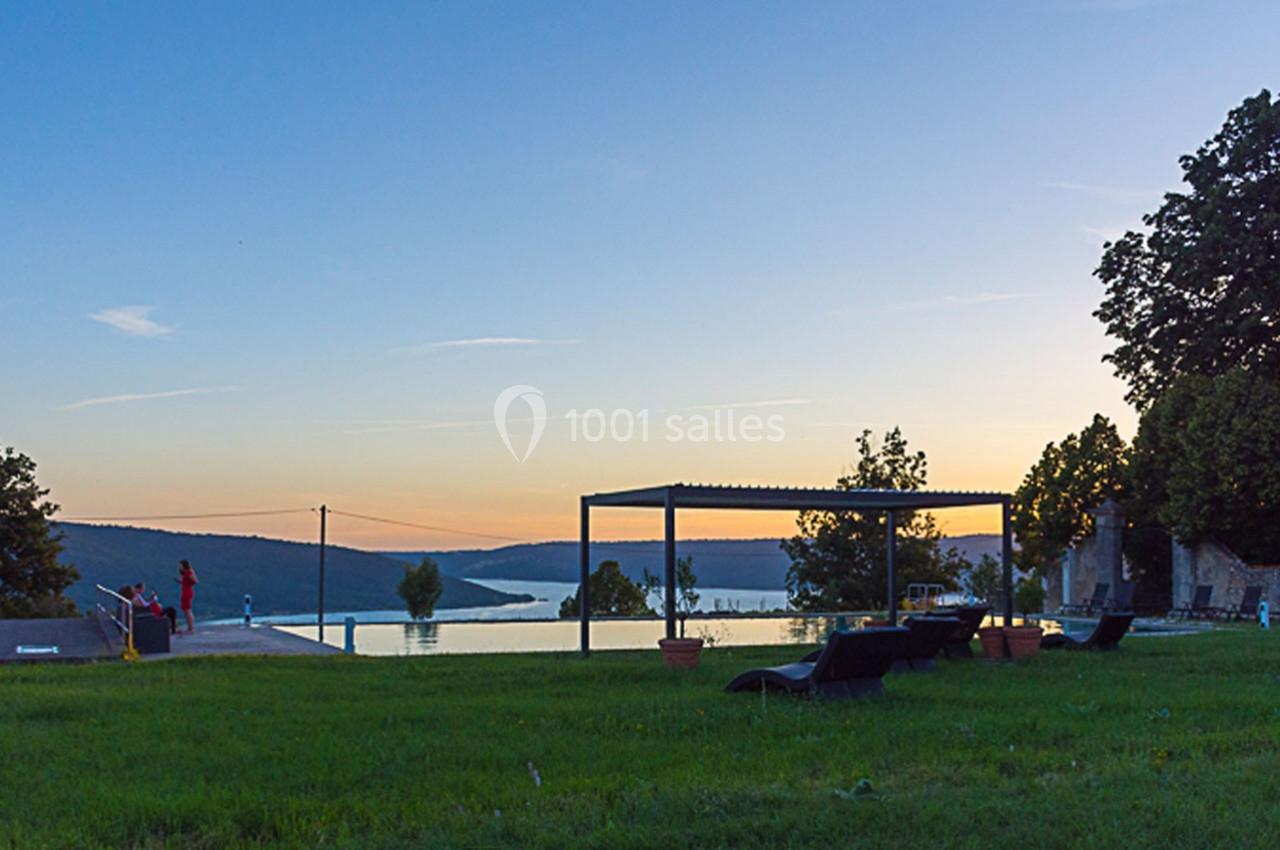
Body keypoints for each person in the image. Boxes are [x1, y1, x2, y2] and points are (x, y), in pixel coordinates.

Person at [176, 560, 199, 635]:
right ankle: (190, 627)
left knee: (187, 609)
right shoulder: (185, 572)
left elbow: (195, 581)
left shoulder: (189, 572)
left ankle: (191, 628)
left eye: (180, 565)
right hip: (185, 591)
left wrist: (189, 581)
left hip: (187, 591)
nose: (179, 567)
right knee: (185, 609)